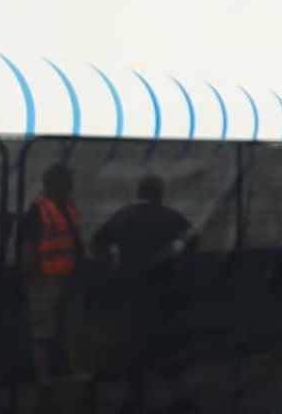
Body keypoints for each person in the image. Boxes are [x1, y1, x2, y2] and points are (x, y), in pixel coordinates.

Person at [92, 174, 197, 411]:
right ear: (159, 193)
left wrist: (111, 263)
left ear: (140, 192)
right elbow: (192, 237)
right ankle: (179, 396)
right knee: (168, 344)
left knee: (133, 344)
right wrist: (177, 258)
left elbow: (99, 240)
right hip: (164, 291)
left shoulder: (125, 217)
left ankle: (133, 397)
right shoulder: (169, 217)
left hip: (132, 290)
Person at [17, 163, 85, 384]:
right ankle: (45, 382)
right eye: (66, 179)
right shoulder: (39, 211)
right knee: (42, 334)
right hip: (46, 281)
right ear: (54, 183)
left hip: (70, 278)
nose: (70, 184)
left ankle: (76, 377)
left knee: (72, 331)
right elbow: (29, 247)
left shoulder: (68, 207)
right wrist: (34, 278)